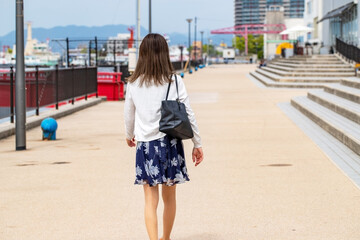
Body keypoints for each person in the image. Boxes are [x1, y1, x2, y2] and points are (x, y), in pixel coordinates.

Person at [124, 33, 204, 240]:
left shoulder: (134, 83)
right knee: (170, 197)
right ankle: (166, 238)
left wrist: (129, 134)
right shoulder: (174, 81)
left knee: (150, 200)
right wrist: (197, 143)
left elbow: (128, 114)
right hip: (170, 143)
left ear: (142, 55)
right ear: (164, 55)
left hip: (146, 146)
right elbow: (188, 113)